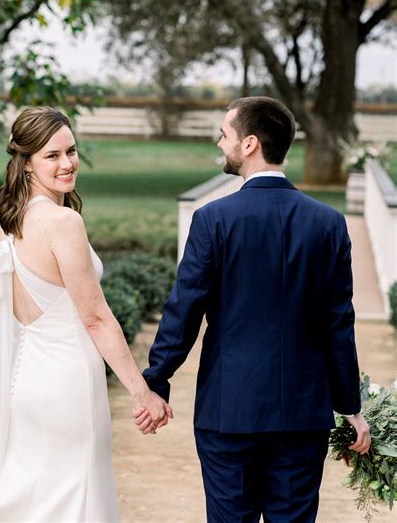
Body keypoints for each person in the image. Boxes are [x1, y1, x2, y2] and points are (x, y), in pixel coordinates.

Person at [136, 96, 370, 522]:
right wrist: (350, 406)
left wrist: (157, 379)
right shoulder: (329, 223)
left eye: (225, 134)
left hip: (229, 411)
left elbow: (183, 310)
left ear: (249, 144)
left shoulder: (212, 220)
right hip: (302, 413)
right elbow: (339, 323)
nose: (219, 142)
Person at [0, 106, 172, 522]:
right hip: (68, 386)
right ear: (26, 163)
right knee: (75, 497)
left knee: (33, 498)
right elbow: (95, 317)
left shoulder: (5, 222)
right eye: (52, 155)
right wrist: (142, 393)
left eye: (71, 151)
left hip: (21, 387)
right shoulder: (62, 222)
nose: (67, 163)